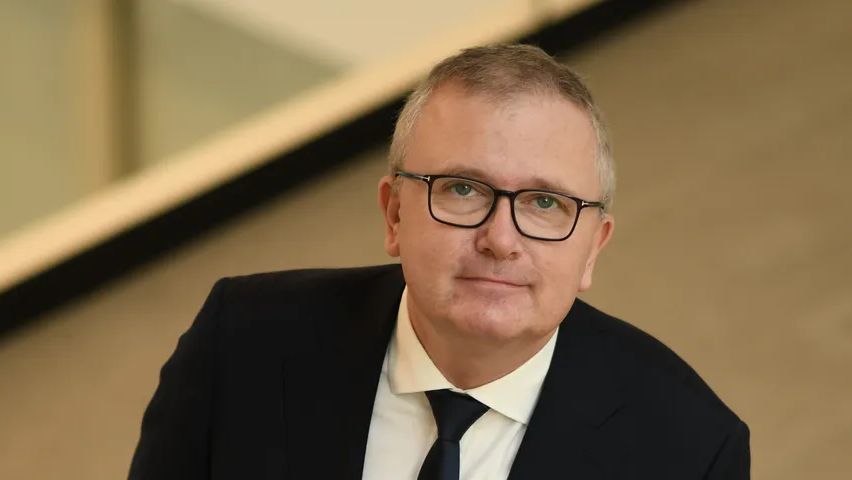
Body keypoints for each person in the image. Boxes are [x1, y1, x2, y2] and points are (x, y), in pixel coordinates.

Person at [129, 44, 750, 479]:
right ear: (394, 215)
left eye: (545, 203)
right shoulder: (240, 343)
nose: (501, 240)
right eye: (462, 189)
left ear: (593, 247)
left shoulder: (691, 449)